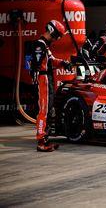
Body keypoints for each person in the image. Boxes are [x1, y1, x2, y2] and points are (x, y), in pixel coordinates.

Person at [29, 20, 72, 152]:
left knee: (46, 110)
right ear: (52, 31)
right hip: (44, 80)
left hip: (46, 79)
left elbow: (51, 60)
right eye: (58, 35)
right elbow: (36, 66)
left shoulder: (44, 46)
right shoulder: (40, 45)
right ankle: (41, 141)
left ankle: (45, 138)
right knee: (44, 110)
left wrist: (63, 63)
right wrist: (36, 78)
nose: (57, 38)